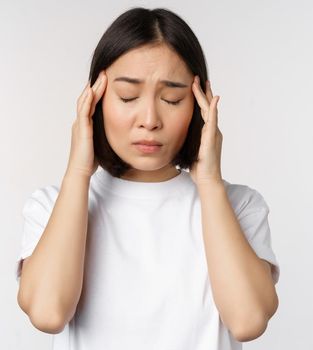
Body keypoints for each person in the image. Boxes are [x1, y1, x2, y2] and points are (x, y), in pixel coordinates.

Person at [14, 7, 280, 349]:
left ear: (200, 106)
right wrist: (77, 174)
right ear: (94, 100)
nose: (150, 119)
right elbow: (48, 313)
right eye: (127, 96)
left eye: (172, 98)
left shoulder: (239, 206)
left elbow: (248, 321)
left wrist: (211, 184)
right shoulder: (52, 206)